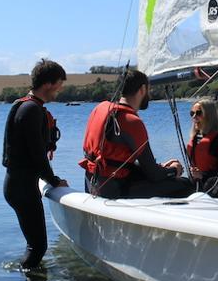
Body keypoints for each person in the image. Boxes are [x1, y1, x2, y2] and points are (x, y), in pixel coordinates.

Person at [79, 69, 193, 199]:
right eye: (148, 90)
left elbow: (118, 161)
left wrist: (162, 167)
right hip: (114, 191)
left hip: (92, 184)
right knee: (186, 185)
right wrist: (174, 170)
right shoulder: (131, 121)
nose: (149, 95)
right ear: (143, 89)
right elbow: (154, 175)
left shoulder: (100, 108)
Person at [2, 59, 69, 272]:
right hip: (22, 187)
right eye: (59, 83)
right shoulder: (32, 110)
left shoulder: (24, 105)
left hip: (17, 184)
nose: (60, 89)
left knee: (36, 245)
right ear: (48, 83)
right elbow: (37, 156)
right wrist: (54, 181)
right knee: (37, 247)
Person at [185, 97, 218, 190]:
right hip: (196, 184)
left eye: (198, 113)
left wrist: (202, 175)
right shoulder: (196, 138)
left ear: (210, 115)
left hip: (214, 186)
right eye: (192, 113)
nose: (194, 117)